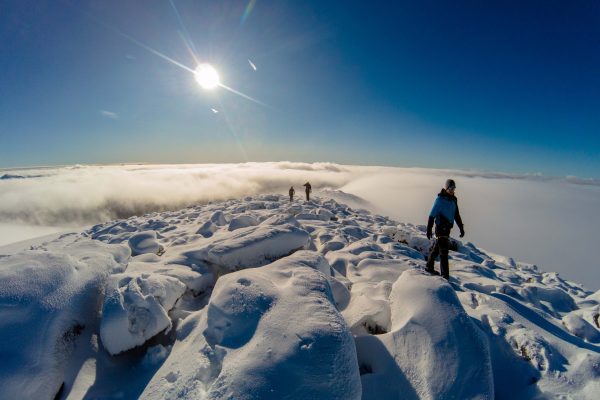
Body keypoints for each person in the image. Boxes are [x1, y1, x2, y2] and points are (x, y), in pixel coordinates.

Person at [426, 179, 465, 280]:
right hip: (440, 227)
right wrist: (429, 229)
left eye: (454, 188)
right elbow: (432, 215)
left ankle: (429, 266)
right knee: (444, 251)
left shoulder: (454, 200)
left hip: (447, 228)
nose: (452, 190)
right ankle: (445, 276)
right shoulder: (439, 200)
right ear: (446, 188)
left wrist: (461, 227)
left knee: (436, 249)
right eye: (450, 188)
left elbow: (456, 215)